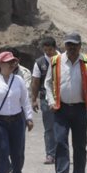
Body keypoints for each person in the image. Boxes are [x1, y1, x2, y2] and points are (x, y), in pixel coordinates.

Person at [44, 32, 87, 173]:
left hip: (79, 109)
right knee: (60, 142)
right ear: (65, 46)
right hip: (61, 109)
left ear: (80, 46)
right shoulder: (56, 61)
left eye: (74, 45)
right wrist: (51, 100)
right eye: (69, 45)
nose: (71, 48)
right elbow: (47, 83)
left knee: (80, 146)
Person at [29, 36, 60, 165]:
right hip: (46, 99)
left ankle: (61, 153)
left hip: (61, 98)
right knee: (49, 128)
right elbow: (35, 82)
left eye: (50, 49)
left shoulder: (62, 60)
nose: (48, 52)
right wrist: (34, 99)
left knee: (62, 127)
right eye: (45, 50)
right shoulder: (40, 63)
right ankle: (50, 154)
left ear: (55, 48)